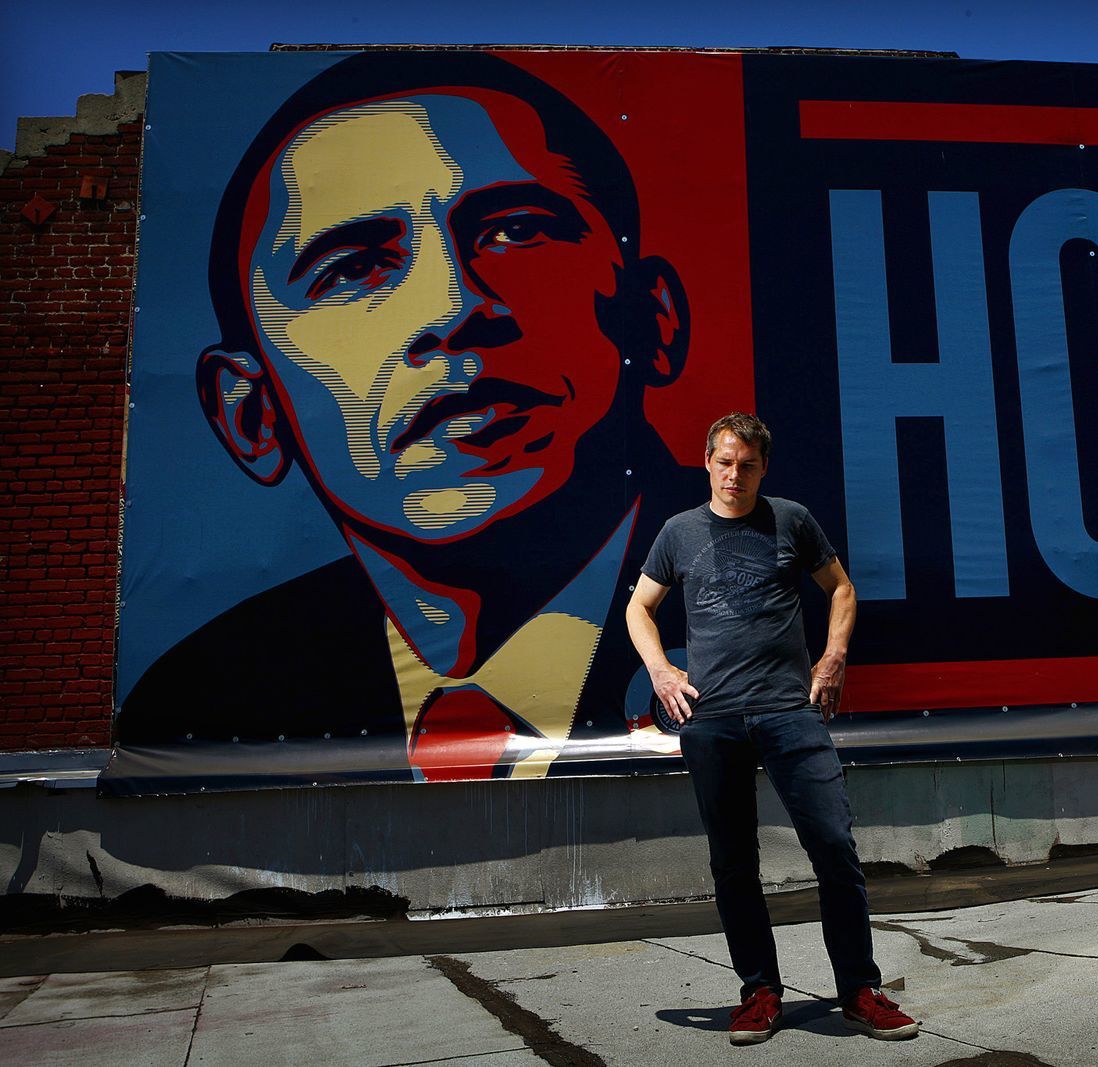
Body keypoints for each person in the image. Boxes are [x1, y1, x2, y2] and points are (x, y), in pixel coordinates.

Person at [106, 51, 697, 792]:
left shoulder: (770, 606)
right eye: (351, 268)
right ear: (252, 415)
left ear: (653, 319)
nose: (451, 307)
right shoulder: (196, 697)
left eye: (514, 231)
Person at [626, 412, 920, 1044]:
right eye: (726, 462)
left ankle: (860, 992)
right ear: (707, 461)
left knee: (834, 847)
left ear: (764, 468)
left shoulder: (790, 520)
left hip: (791, 713)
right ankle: (759, 993)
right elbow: (638, 607)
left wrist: (833, 656)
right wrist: (661, 671)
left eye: (749, 465)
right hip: (713, 721)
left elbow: (841, 589)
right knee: (733, 864)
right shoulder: (678, 533)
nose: (736, 475)